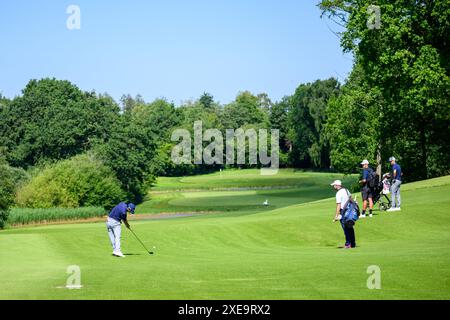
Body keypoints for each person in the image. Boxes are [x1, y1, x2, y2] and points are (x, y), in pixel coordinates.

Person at [331, 180, 356, 249]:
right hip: (349, 211)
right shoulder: (346, 190)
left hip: (343, 211)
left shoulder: (338, 193)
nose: (333, 187)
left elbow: (338, 205)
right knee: (350, 227)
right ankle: (353, 243)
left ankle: (348, 244)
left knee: (346, 228)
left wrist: (336, 215)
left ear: (337, 185)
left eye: (334, 185)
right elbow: (351, 198)